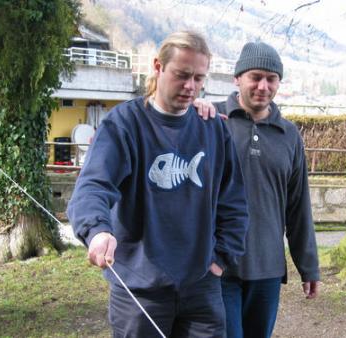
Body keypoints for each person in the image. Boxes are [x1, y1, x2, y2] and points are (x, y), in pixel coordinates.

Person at [67, 31, 249, 338]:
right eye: (181, 75)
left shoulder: (213, 129)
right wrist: (97, 231)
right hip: (139, 290)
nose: (190, 86)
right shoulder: (124, 124)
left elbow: (234, 201)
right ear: (158, 66)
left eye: (199, 78)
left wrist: (221, 258)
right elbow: (93, 186)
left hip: (201, 286)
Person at [204, 42, 320, 338]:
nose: (263, 86)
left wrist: (308, 267)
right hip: (217, 265)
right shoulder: (210, 120)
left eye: (272, 78)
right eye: (255, 76)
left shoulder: (289, 134)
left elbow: (298, 206)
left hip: (267, 267)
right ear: (237, 78)